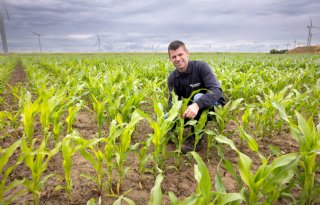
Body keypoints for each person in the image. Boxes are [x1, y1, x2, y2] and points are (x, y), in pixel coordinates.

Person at [167, 40, 225, 154]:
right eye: (173, 57)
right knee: (164, 121)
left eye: (180, 54)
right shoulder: (173, 78)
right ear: (170, 59)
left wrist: (197, 105)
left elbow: (216, 90)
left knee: (198, 97)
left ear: (187, 53)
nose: (177, 59)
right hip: (192, 107)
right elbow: (173, 102)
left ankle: (196, 138)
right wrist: (178, 111)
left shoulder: (201, 67)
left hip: (214, 106)